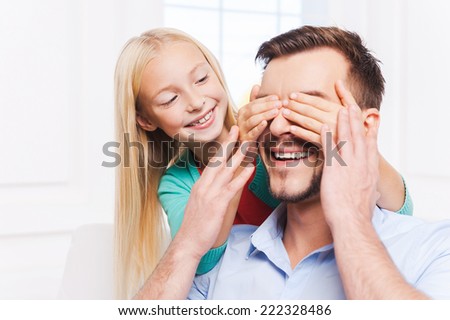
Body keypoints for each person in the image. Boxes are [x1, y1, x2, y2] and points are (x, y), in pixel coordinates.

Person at [134, 26, 450, 300]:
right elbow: (196, 261)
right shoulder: (216, 258)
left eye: (306, 108)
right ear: (147, 120)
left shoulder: (431, 250)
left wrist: (353, 151)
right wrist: (189, 242)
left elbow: (399, 208)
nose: (195, 102)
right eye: (272, 106)